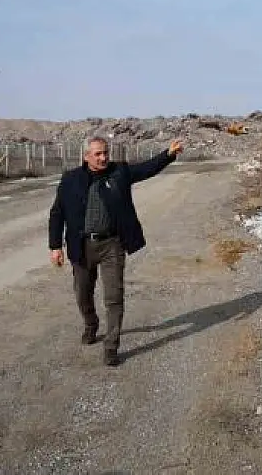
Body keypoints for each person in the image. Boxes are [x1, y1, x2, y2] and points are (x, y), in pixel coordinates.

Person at [48, 136, 183, 366]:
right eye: (98, 154)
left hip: (112, 244)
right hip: (81, 246)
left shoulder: (119, 172)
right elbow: (57, 213)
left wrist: (168, 155)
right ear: (86, 156)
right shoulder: (70, 179)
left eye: (106, 153)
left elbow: (147, 169)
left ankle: (111, 346)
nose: (103, 158)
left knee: (114, 297)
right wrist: (54, 246)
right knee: (82, 294)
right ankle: (91, 324)